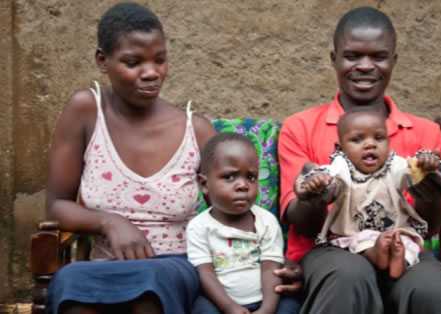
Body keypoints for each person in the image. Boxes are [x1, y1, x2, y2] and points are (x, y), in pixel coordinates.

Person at [278, 6, 441, 314]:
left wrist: (432, 196)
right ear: (334, 59)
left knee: (430, 289)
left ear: (393, 61)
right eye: (353, 56)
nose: (365, 66)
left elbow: (431, 225)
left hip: (406, 250)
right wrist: (315, 197)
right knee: (349, 276)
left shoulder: (425, 133)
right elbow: (301, 223)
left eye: (379, 57)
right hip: (330, 251)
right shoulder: (300, 127)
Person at [46, 3, 217, 314]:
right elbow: (57, 204)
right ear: (102, 60)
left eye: (160, 60)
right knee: (70, 282)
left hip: (174, 265)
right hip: (104, 266)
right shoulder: (86, 111)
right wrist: (109, 222)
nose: (151, 73)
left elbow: (231, 209)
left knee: (148, 283)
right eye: (133, 62)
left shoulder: (197, 130)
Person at [297, 110, 441, 279]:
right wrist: (314, 181)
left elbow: (412, 172)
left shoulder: (393, 164)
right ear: (341, 148)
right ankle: (375, 254)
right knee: (361, 242)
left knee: (408, 244)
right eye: (357, 139)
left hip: (394, 232)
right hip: (355, 232)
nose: (370, 144)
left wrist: (426, 165)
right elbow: (326, 177)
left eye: (379, 138)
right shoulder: (342, 166)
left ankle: (400, 263)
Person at [187, 133, 300, 314]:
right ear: (204, 184)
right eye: (230, 177)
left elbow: (271, 268)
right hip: (221, 302)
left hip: (266, 298)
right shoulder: (199, 227)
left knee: (291, 306)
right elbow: (205, 273)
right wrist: (230, 308)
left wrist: (267, 309)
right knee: (200, 309)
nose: (243, 185)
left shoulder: (266, 221)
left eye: (251, 177)